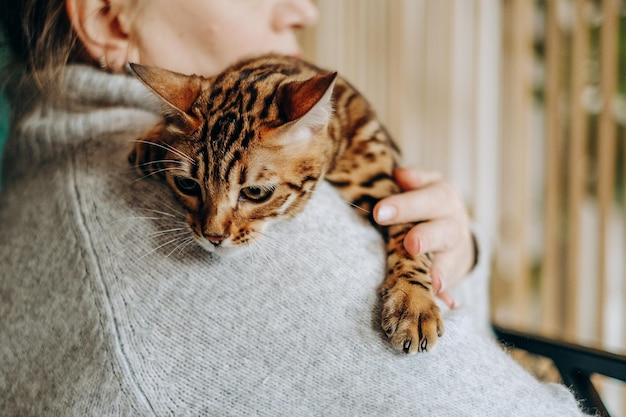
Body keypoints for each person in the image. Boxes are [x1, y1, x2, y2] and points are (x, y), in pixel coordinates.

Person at [0, 0, 587, 415]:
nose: (304, 10)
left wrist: (461, 264)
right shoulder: (296, 262)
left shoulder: (42, 168)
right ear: (108, 17)